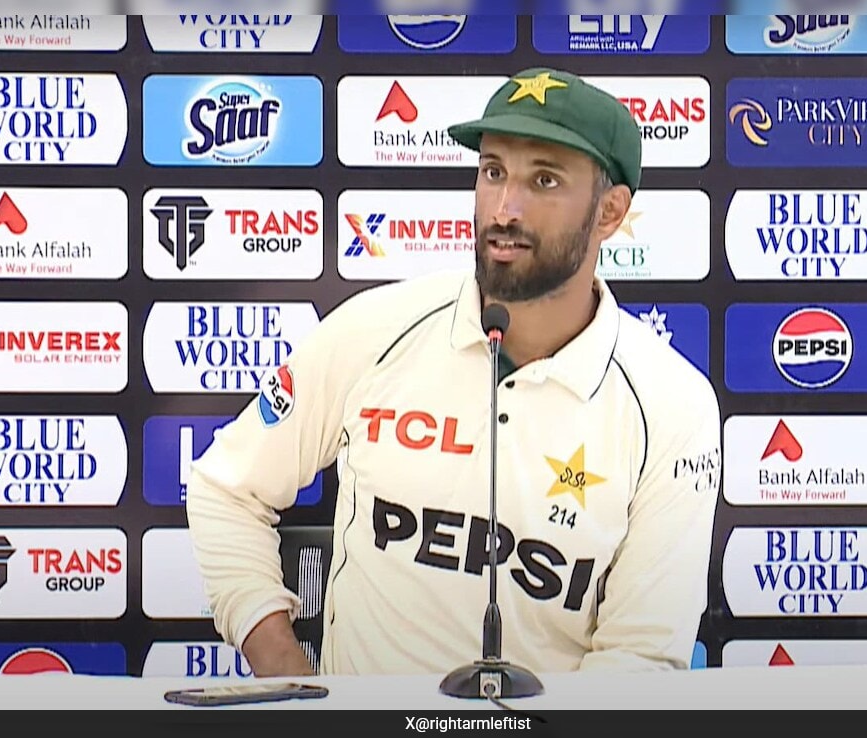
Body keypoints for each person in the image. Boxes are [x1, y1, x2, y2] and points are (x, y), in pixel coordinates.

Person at [185, 67, 723, 677]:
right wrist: (291, 678)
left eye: (544, 180)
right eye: (493, 172)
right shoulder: (377, 328)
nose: (504, 209)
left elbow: (640, 658)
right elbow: (226, 488)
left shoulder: (672, 405)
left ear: (610, 212)